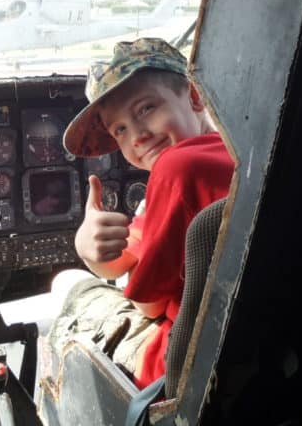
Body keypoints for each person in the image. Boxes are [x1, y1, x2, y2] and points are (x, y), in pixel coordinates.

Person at [46, 37, 235, 390]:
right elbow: (125, 255)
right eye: (120, 129)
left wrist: (87, 260)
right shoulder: (242, 151)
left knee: (65, 285)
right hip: (242, 350)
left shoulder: (179, 170)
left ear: (195, 96)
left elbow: (147, 305)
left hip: (179, 363)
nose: (137, 136)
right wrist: (90, 247)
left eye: (146, 109)